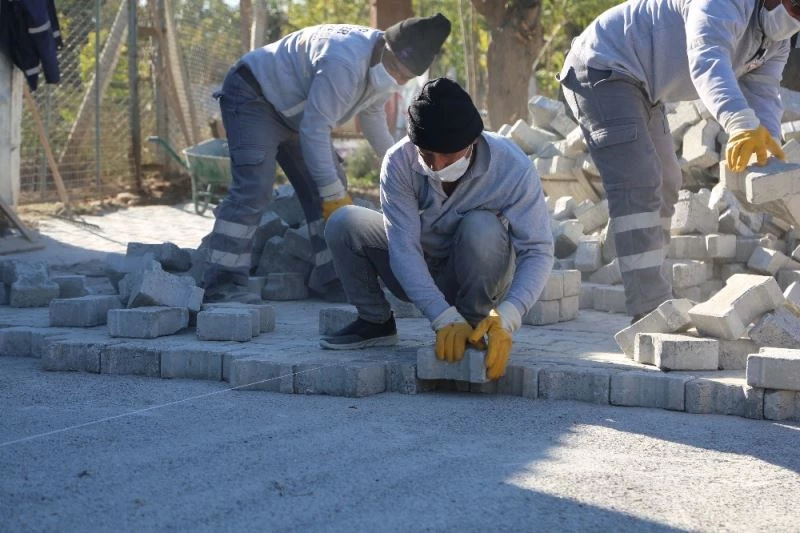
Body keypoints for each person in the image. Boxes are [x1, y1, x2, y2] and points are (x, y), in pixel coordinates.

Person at [559, 0, 797, 323]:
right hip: (603, 66)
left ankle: (628, 254)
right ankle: (650, 310)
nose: (796, 18)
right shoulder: (722, 3)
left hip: (644, 86)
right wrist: (740, 124)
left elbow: (763, 89)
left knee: (668, 181)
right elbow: (707, 59)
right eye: (796, 6)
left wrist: (768, 150)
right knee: (639, 183)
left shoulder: (777, 38)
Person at [202, 14, 452, 303]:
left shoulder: (383, 72)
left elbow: (372, 118)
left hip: (298, 112)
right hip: (254, 95)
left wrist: (406, 167)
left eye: (404, 77)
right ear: (385, 45)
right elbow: (315, 129)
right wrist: (333, 194)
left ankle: (331, 276)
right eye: (393, 67)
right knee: (255, 187)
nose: (395, 78)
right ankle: (222, 284)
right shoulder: (344, 60)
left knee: (331, 186)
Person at [321, 78, 554, 380]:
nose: (437, 165)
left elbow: (537, 249)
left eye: (450, 154)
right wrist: (442, 317)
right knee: (344, 222)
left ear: (472, 142)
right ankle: (375, 322)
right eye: (428, 154)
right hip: (419, 267)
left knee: (481, 225)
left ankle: (474, 325)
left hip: (479, 270)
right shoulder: (399, 161)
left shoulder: (512, 167)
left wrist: (509, 315)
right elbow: (403, 247)